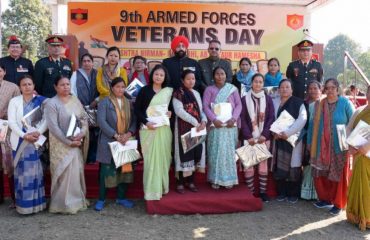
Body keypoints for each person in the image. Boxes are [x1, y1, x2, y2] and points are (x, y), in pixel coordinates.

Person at [307, 78, 354, 215]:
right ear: (324, 90)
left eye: (333, 88)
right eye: (327, 88)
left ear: (337, 88)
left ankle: (338, 203)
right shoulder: (319, 104)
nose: (330, 91)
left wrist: (351, 142)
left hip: (339, 145)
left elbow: (353, 122)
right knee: (321, 173)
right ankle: (325, 199)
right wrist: (310, 142)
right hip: (320, 145)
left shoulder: (345, 103)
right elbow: (312, 125)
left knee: (338, 173)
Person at [45, 75, 89, 214]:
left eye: (68, 84)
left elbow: (83, 118)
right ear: (55, 87)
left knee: (75, 173)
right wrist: (69, 142)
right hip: (60, 145)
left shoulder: (75, 100)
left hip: (76, 142)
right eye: (62, 85)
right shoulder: (52, 103)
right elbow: (53, 127)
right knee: (63, 174)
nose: (66, 87)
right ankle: (61, 204)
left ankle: (76, 201)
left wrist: (82, 132)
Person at [95, 77, 137, 210]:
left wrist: (129, 134)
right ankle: (101, 199)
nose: (120, 89)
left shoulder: (129, 102)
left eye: (123, 87)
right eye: (117, 87)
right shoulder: (104, 102)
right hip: (109, 141)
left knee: (125, 171)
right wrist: (116, 135)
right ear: (112, 88)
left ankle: (121, 198)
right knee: (106, 171)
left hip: (125, 141)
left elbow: (134, 121)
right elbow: (101, 121)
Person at [7, 75, 47, 214]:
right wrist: (25, 135)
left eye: (29, 84)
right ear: (20, 87)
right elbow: (12, 122)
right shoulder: (14, 101)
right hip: (19, 141)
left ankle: (37, 205)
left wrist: (36, 133)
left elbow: (47, 120)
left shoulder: (41, 101)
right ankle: (24, 206)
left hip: (36, 141)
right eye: (24, 84)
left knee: (36, 172)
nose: (27, 86)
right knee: (22, 174)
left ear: (34, 85)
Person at [135, 64, 173, 200]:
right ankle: (151, 190)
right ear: (152, 75)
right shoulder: (144, 90)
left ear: (164, 77)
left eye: (161, 75)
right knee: (150, 161)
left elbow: (170, 110)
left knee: (163, 159)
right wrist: (147, 122)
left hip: (163, 130)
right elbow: (137, 110)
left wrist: (169, 113)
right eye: (156, 74)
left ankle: (162, 187)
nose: (158, 77)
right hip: (148, 130)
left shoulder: (168, 91)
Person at [203, 66, 242, 189]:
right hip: (216, 126)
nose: (220, 76)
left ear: (226, 75)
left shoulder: (232, 89)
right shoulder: (209, 89)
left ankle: (229, 179)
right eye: (218, 74)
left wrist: (234, 118)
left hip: (230, 126)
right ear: (213, 76)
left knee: (229, 152)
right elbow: (205, 107)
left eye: (223, 74)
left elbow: (238, 105)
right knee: (215, 151)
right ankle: (215, 179)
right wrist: (214, 119)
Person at [240, 73, 275, 202]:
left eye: (261, 82)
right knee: (249, 166)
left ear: (263, 84)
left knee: (263, 166)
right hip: (249, 138)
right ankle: (250, 193)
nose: (258, 84)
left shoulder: (268, 99)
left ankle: (263, 193)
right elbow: (242, 118)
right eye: (256, 81)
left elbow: (271, 118)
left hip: (263, 138)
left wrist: (265, 135)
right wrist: (248, 135)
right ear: (251, 83)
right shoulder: (244, 99)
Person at [272, 79, 307, 203]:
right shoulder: (275, 102)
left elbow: (302, 119)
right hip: (277, 139)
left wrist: (287, 133)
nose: (284, 89)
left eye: (287, 87)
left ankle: (293, 193)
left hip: (292, 139)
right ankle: (282, 192)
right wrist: (274, 132)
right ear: (278, 89)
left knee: (294, 165)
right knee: (279, 164)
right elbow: (271, 119)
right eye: (282, 87)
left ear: (292, 89)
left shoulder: (298, 103)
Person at [172, 70, 207, 193]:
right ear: (182, 80)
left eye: (193, 78)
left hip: (197, 129)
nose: (191, 81)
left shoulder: (197, 93)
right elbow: (179, 112)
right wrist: (196, 123)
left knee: (195, 153)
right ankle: (180, 182)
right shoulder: (178, 93)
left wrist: (204, 121)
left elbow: (201, 110)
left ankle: (190, 181)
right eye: (188, 79)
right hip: (184, 129)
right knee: (183, 155)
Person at [346, 86, 370, 231]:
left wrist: (367, 146)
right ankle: (356, 215)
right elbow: (348, 128)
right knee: (358, 185)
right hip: (358, 155)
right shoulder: (359, 111)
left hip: (367, 154)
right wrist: (350, 145)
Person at [70, 53, 99, 163]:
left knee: (94, 133)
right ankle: (81, 157)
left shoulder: (98, 74)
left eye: (89, 61)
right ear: (81, 63)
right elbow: (72, 90)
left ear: (92, 62)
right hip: (80, 108)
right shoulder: (75, 74)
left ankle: (93, 158)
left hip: (95, 108)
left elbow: (103, 90)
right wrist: (79, 103)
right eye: (84, 61)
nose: (87, 63)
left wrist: (96, 101)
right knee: (81, 131)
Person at [0, 65, 20, 206]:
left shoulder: (13, 87)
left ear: (4, 72)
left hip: (6, 129)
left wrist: (5, 114)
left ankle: (15, 197)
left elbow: (18, 107)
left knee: (9, 162)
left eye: (0, 70)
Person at [300, 80, 322, 201]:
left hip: (321, 139)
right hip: (307, 137)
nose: (313, 90)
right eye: (311, 88)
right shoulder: (305, 104)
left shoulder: (324, 104)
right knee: (307, 163)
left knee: (319, 165)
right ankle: (307, 192)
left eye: (315, 88)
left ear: (320, 89)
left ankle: (319, 193)